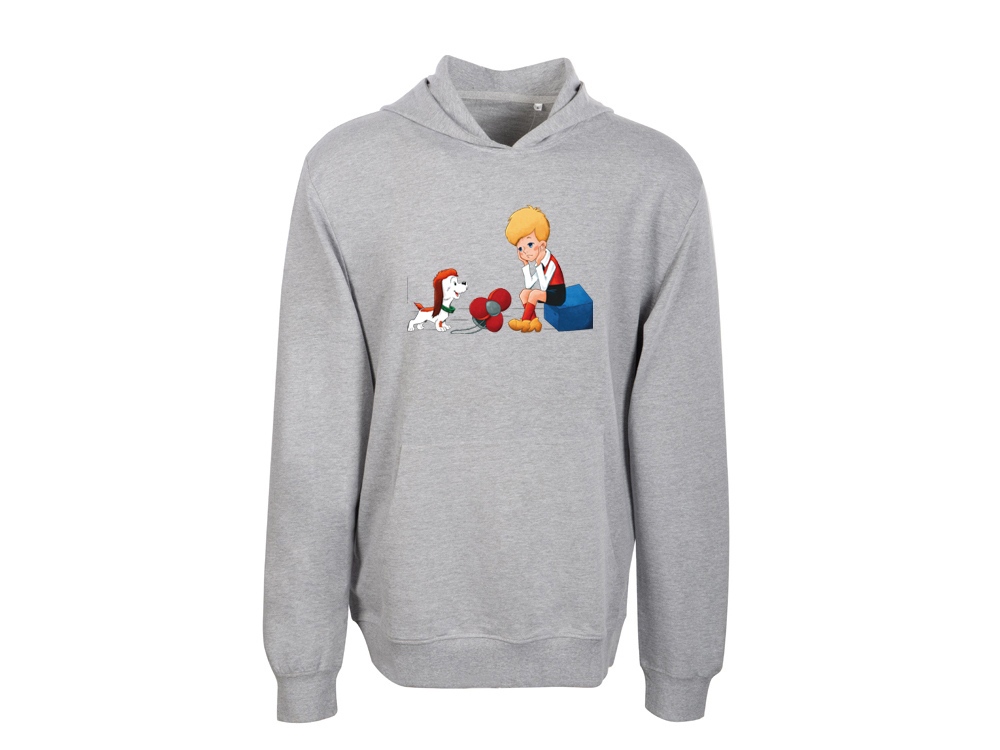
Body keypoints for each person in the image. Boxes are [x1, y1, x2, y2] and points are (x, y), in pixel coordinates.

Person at [504, 205, 566, 332]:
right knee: (524, 293)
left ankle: (524, 321)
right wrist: (526, 265)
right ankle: (534, 322)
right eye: (520, 248)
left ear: (542, 244)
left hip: (557, 294)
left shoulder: (551, 262)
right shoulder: (540, 260)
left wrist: (537, 265)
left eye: (530, 244)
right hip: (547, 292)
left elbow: (543, 286)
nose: (525, 251)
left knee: (534, 294)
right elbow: (529, 284)